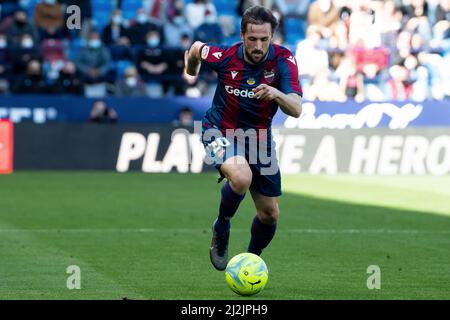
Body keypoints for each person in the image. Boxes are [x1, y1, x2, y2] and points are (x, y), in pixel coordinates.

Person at [183, 5, 302, 271]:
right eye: (252, 39)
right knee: (241, 177)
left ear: (272, 37)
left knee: (270, 214)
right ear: (242, 35)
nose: (258, 45)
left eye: (264, 39)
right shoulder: (225, 56)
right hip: (217, 129)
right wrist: (190, 69)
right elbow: (196, 48)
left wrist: (276, 93)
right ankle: (222, 225)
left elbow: (296, 108)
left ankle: (249, 261)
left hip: (259, 139)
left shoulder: (284, 60)